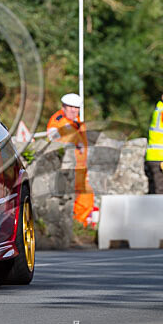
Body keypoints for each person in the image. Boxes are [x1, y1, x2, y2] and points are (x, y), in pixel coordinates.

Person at [46, 93, 95, 226]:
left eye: (76, 107)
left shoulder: (77, 122)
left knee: (86, 196)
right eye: (70, 107)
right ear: (63, 107)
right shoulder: (57, 122)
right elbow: (53, 143)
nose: (74, 110)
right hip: (66, 168)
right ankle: (75, 224)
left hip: (80, 167)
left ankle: (80, 224)